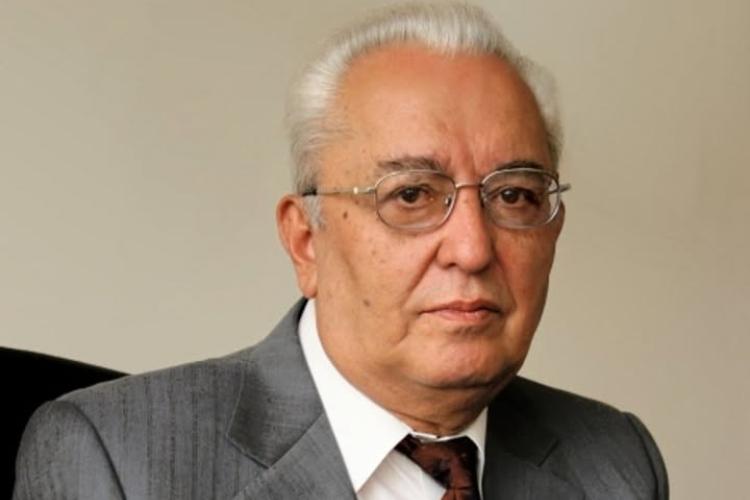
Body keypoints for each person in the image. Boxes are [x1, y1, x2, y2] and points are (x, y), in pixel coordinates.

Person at [13, 3, 668, 499]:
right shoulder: (115, 459)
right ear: (306, 241)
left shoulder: (615, 461)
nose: (472, 248)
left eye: (515, 195)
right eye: (411, 194)